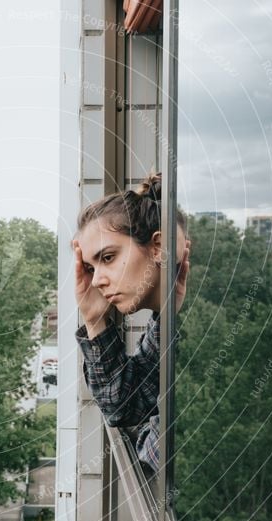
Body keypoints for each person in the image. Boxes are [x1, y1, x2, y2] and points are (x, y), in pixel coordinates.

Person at [71, 173, 190, 471]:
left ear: (158, 247)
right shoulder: (166, 319)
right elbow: (125, 405)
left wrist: (149, 432)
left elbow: (161, 455)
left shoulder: (197, 318)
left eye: (108, 258)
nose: (97, 280)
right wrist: (95, 320)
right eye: (89, 267)